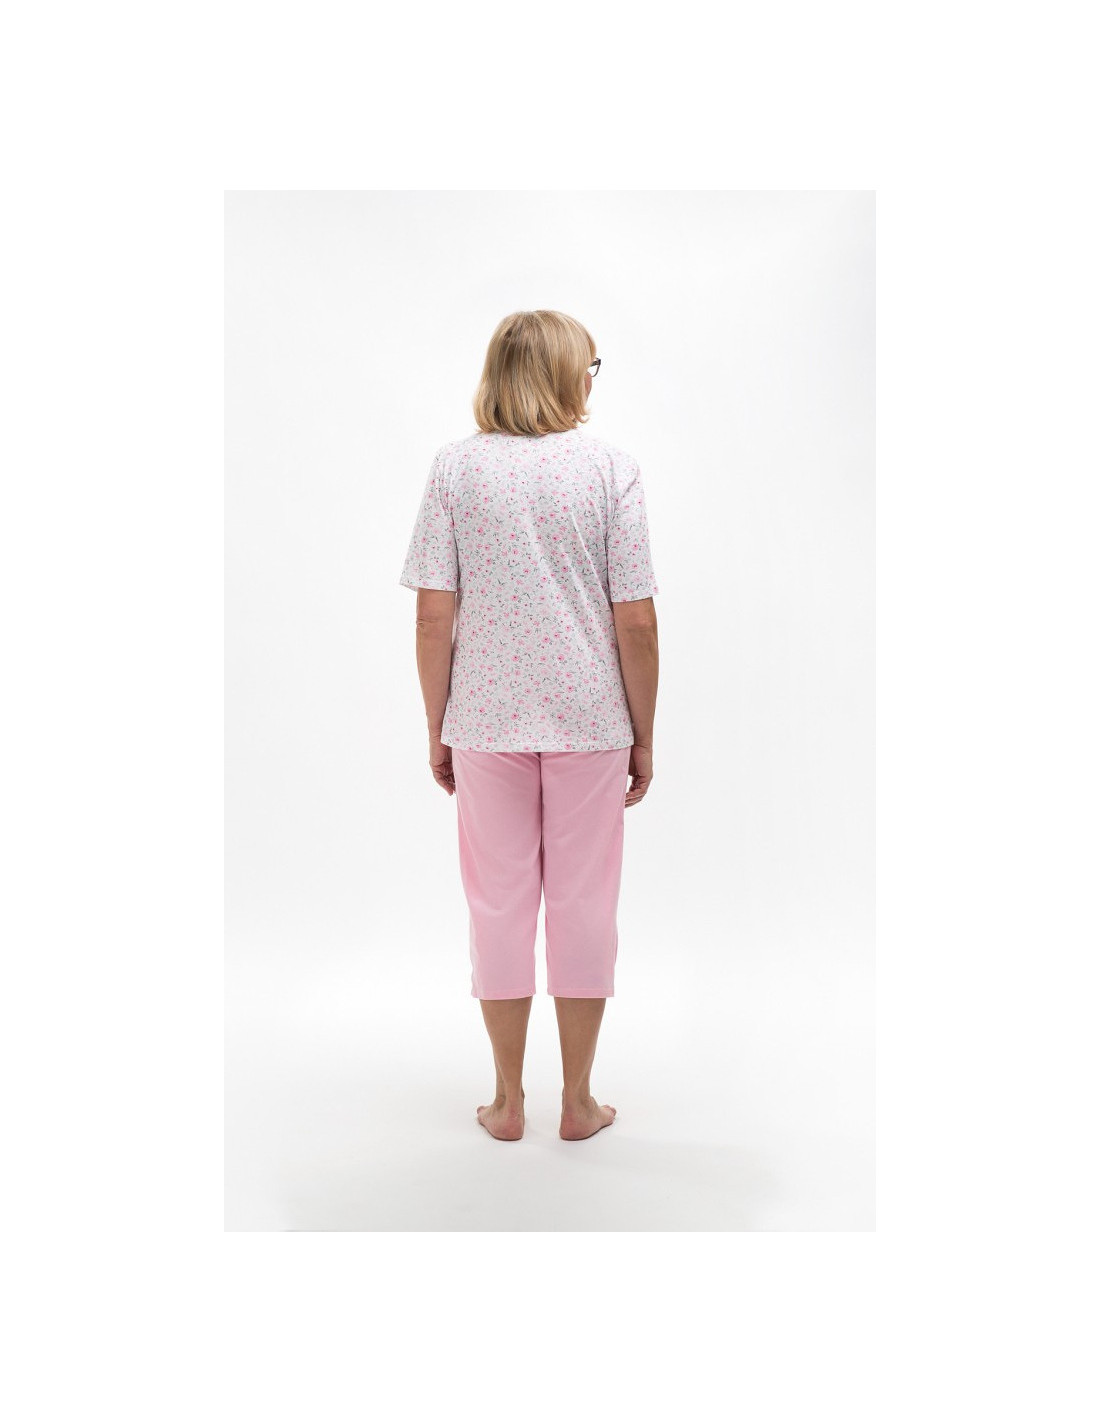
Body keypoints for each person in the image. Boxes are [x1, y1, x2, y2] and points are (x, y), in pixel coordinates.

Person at [398, 309, 660, 1143]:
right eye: (590, 364)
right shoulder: (611, 470)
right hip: (591, 720)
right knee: (585, 906)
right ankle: (578, 1101)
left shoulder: (456, 470)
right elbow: (636, 621)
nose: (591, 377)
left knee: (498, 906)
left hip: (485, 721)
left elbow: (433, 616)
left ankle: (507, 1100)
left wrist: (438, 724)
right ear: (561, 373)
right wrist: (643, 733)